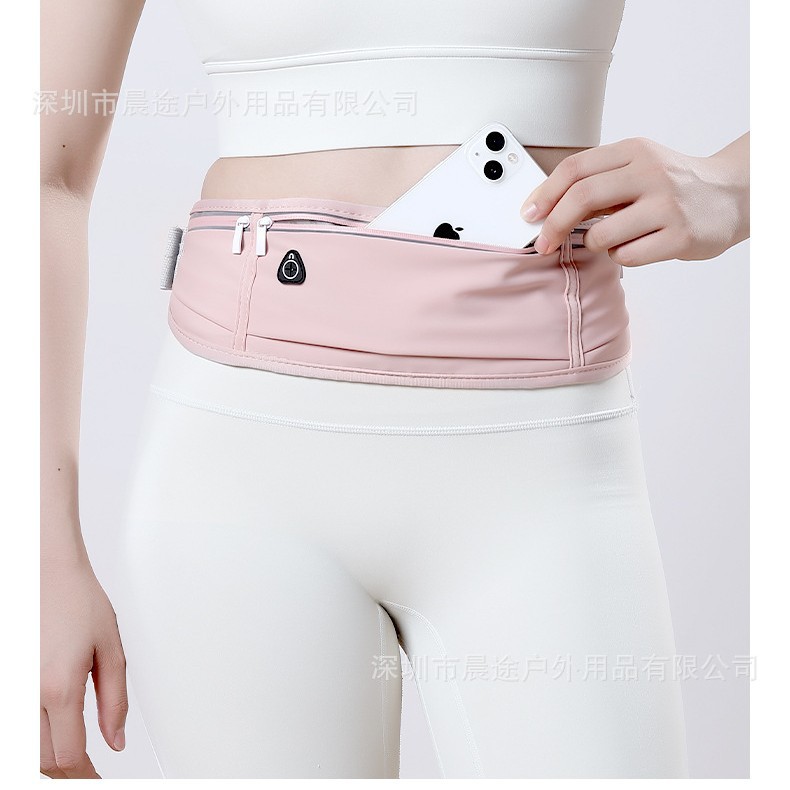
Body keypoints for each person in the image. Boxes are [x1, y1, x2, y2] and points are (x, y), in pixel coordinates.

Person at [40, 0, 749, 780]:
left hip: (546, 464)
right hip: (236, 473)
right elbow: (41, 180)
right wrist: (44, 559)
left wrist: (736, 184)